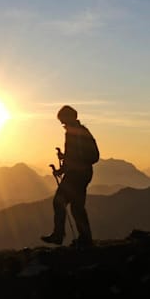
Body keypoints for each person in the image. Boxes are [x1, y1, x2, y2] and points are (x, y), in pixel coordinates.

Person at [41, 105, 98, 247]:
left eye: (63, 121)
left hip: (77, 175)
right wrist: (63, 165)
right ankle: (85, 239)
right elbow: (77, 156)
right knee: (77, 207)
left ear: (70, 118)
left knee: (59, 201)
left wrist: (66, 162)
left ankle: (60, 235)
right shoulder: (78, 132)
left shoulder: (76, 133)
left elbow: (85, 156)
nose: (62, 124)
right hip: (82, 173)